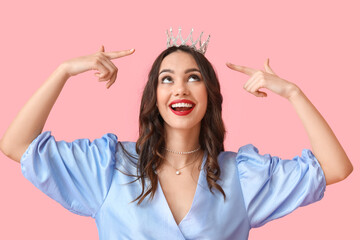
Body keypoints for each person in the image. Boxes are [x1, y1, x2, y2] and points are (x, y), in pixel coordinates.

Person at [0, 29, 353, 240]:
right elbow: (16, 144)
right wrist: (63, 71)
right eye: (167, 79)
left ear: (210, 94)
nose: (180, 89)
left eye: (193, 77)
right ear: (154, 94)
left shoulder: (244, 177)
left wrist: (293, 92)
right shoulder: (109, 167)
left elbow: (336, 168)